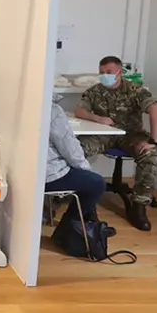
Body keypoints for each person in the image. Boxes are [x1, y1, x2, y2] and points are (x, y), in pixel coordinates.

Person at [75, 55, 157, 231]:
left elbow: (156, 108)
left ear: (119, 72)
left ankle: (139, 206)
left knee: (150, 156)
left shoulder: (135, 90)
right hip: (104, 134)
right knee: (76, 150)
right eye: (101, 72)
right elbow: (80, 110)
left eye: (109, 72)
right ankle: (82, 202)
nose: (104, 75)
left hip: (130, 135)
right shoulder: (95, 91)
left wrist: (153, 140)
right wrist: (98, 118)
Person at [46, 94, 106, 224]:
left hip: (15, 174)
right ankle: (67, 229)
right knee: (96, 183)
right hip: (48, 176)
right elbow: (71, 151)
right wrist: (87, 170)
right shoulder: (51, 110)